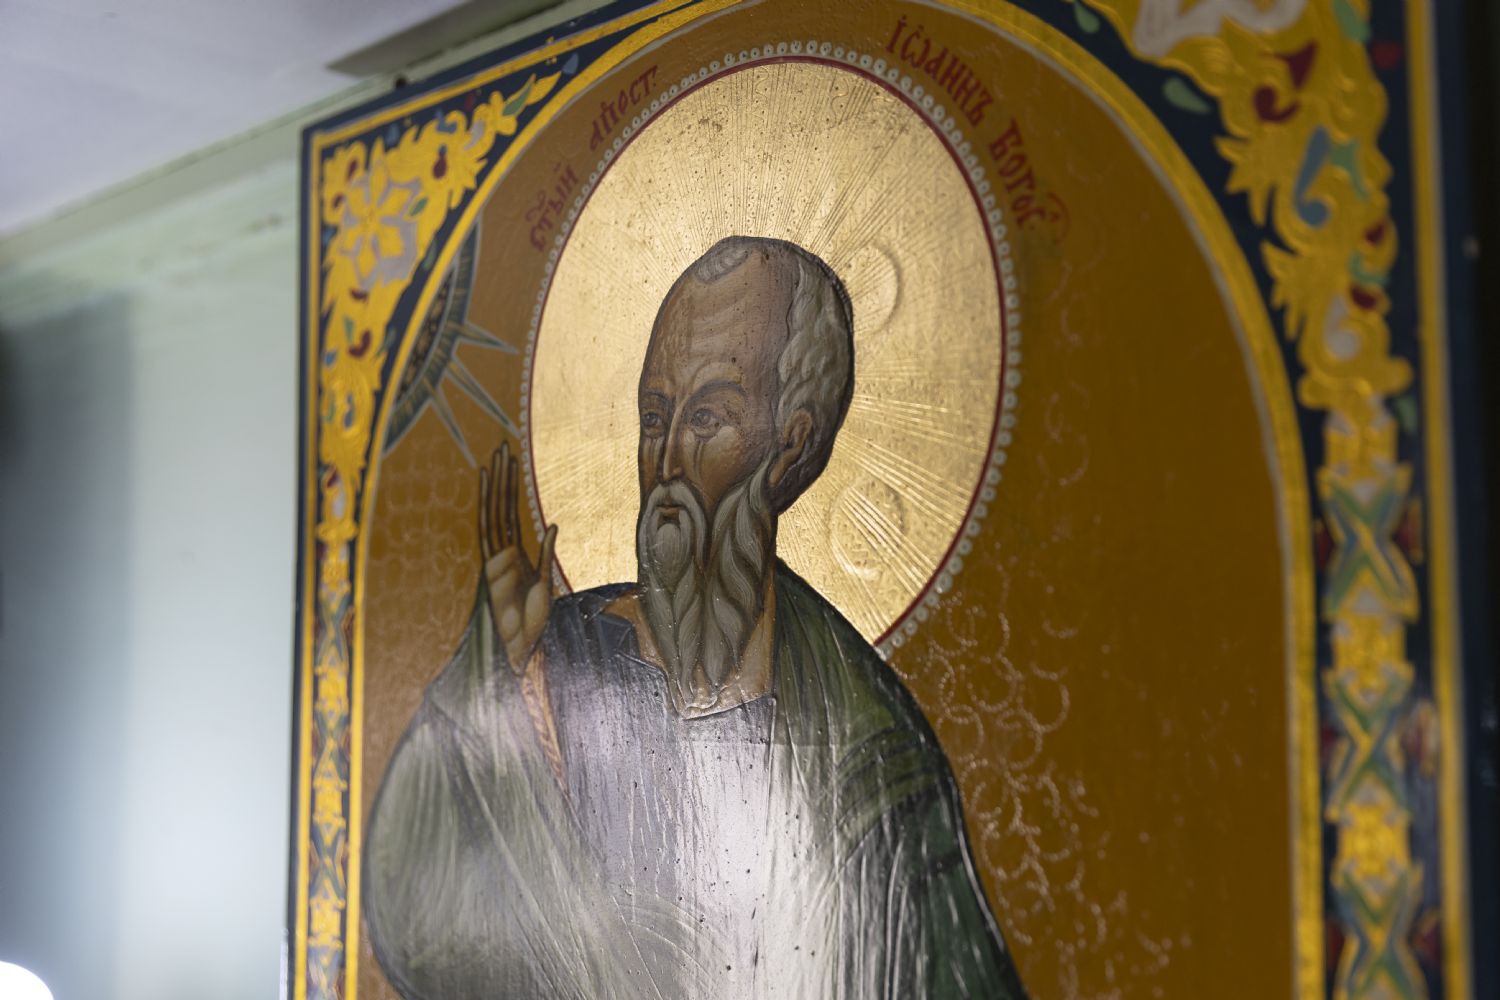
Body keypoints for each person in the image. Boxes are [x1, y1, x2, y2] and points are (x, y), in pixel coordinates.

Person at [363, 236, 1029, 999]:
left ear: (789, 445)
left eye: (708, 416)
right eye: (655, 416)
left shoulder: (870, 752)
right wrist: (482, 681)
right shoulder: (559, 662)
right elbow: (416, 925)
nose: (668, 459)